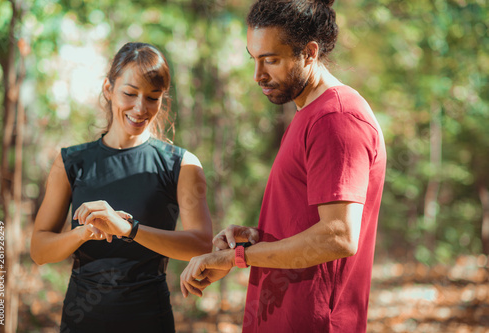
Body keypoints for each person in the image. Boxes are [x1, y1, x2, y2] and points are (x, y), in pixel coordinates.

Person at [180, 0, 386, 332]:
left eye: (271, 60)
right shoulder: (308, 114)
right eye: (255, 59)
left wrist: (238, 258)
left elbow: (339, 236)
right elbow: (306, 226)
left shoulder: (337, 117)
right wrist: (255, 239)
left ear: (309, 52)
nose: (258, 75)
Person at [30, 42, 213, 333]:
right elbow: (39, 250)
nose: (140, 108)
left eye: (153, 97)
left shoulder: (181, 164)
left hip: (149, 318)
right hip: (81, 321)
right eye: (129, 93)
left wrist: (129, 229)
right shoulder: (70, 161)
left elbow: (201, 245)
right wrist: (84, 232)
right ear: (108, 89)